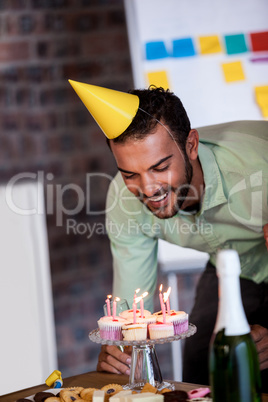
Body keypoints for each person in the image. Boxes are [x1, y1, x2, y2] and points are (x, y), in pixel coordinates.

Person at [69, 81, 268, 391]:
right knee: (201, 369)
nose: (148, 188)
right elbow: (130, 313)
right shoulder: (123, 200)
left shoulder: (260, 168)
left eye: (160, 167)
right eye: (130, 174)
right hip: (232, 266)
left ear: (191, 146)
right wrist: (119, 354)